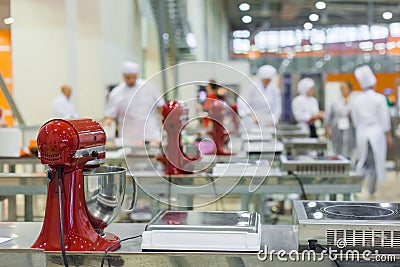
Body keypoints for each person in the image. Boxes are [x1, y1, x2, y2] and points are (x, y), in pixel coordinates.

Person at [351, 65, 392, 197]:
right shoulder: (379, 98)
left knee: (363, 160)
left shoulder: (356, 100)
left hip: (362, 134)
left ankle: (356, 185)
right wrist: (388, 135)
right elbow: (384, 119)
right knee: (373, 163)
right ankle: (368, 189)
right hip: (376, 134)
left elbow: (355, 120)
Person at [103, 61, 165, 146]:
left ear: (137, 75)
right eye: (128, 77)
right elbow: (109, 116)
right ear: (123, 76)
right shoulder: (116, 92)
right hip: (128, 137)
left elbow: (160, 106)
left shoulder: (148, 87)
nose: (131, 80)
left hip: (150, 135)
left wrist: (165, 121)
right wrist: (106, 126)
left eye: (133, 77)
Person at [237, 65, 282, 129]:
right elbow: (241, 101)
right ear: (260, 78)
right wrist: (250, 114)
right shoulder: (252, 87)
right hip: (251, 121)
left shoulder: (274, 90)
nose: (267, 82)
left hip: (267, 122)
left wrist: (272, 120)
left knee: (267, 137)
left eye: (269, 80)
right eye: (265, 79)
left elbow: (277, 108)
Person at [325, 81, 356, 158]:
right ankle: (338, 161)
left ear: (350, 89)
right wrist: (327, 128)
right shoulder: (335, 101)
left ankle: (349, 163)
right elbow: (328, 115)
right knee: (337, 147)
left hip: (351, 128)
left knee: (350, 146)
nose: (343, 90)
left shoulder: (355, 101)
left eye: (344, 88)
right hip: (336, 127)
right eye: (341, 89)